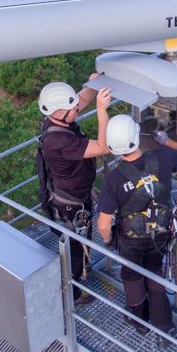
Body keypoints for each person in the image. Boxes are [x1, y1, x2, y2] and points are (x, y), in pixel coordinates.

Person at [96, 114, 177, 343]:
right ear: (137, 138)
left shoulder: (114, 179)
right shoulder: (163, 157)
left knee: (132, 273)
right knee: (153, 269)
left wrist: (108, 241)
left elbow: (103, 224)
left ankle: (139, 320)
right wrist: (168, 142)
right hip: (160, 234)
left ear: (114, 147)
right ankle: (164, 328)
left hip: (130, 239)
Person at [38, 76, 112, 306]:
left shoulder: (55, 120)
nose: (78, 109)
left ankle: (82, 267)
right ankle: (75, 293)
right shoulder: (59, 141)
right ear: (62, 113)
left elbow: (80, 99)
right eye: (73, 109)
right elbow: (103, 147)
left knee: (81, 240)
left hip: (74, 195)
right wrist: (102, 111)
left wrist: (95, 83)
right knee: (76, 246)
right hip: (70, 203)